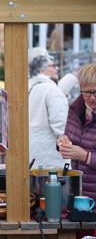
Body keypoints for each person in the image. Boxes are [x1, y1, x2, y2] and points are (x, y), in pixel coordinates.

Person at [58, 63, 96, 199]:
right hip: (79, 192)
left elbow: (83, 154)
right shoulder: (75, 110)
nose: (91, 98)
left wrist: (86, 156)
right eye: (86, 92)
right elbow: (68, 136)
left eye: (95, 92)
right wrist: (63, 142)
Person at [28, 49, 68, 169]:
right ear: (41, 69)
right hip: (49, 152)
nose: (56, 69)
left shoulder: (28, 87)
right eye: (51, 66)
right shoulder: (51, 89)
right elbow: (61, 123)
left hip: (31, 149)